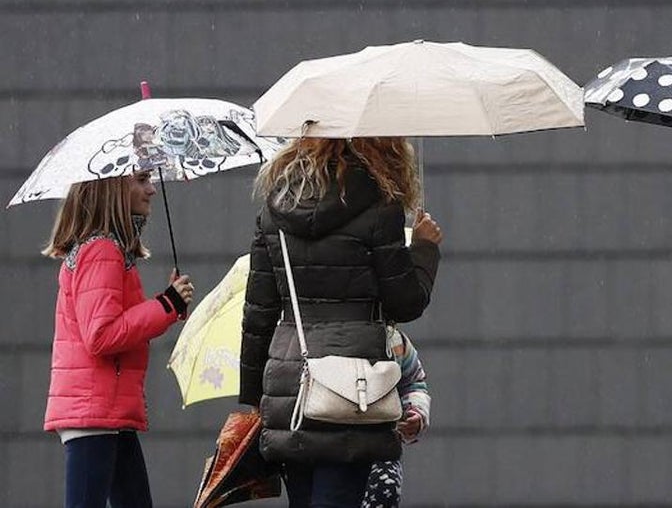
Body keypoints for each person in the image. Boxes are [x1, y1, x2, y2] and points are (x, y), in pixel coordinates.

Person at [239, 136, 442, 508]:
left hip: (292, 389)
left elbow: (258, 314)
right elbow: (405, 303)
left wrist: (255, 399)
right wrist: (425, 251)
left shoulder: (275, 212)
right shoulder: (381, 207)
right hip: (354, 389)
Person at [42, 170, 196, 508]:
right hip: (94, 412)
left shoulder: (105, 249)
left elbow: (116, 324)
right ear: (112, 188)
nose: (152, 190)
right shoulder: (102, 250)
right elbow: (102, 335)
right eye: (141, 180)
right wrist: (166, 303)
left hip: (106, 412)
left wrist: (168, 304)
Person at [360, 325, 431, 508]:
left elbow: (413, 383)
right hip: (327, 447)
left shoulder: (394, 339)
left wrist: (415, 413)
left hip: (381, 449)